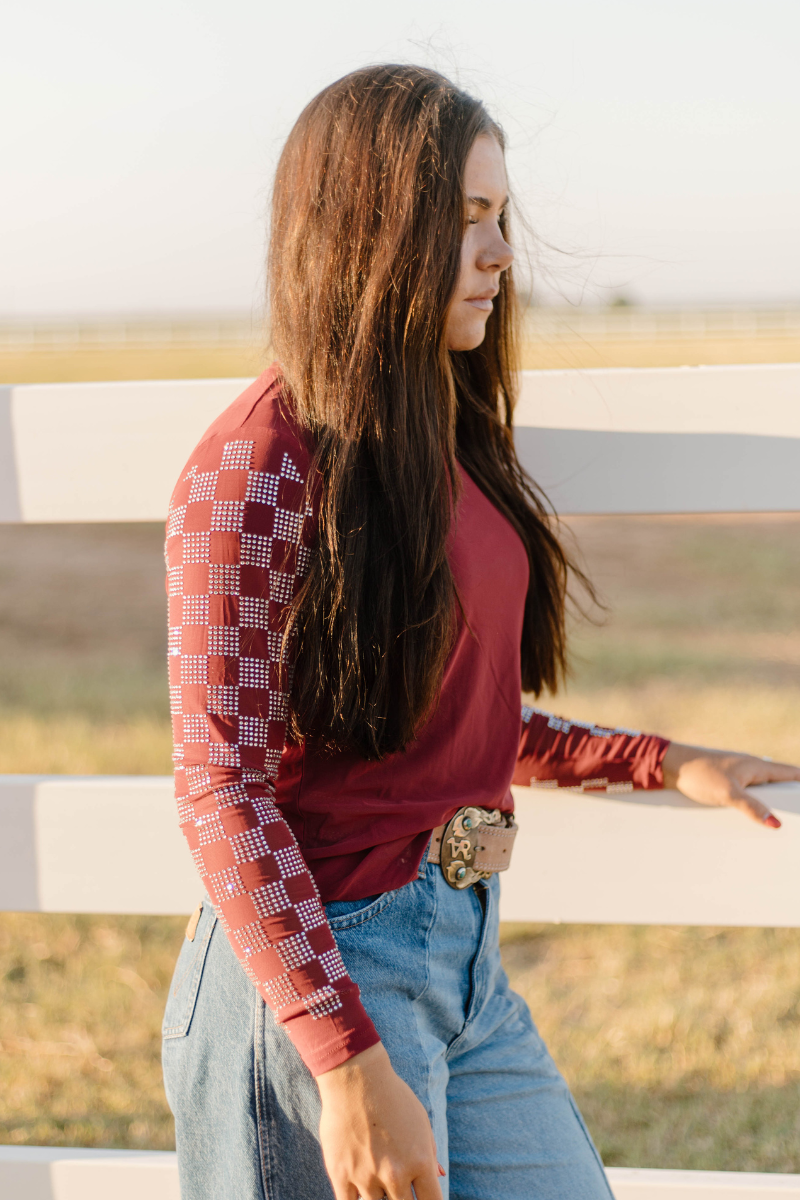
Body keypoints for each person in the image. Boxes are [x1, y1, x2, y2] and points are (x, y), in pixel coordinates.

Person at [161, 64, 799, 1200]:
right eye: (464, 220)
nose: (501, 251)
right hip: (325, 985)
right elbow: (220, 790)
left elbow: (446, 714)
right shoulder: (257, 467)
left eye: (499, 215)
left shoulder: (436, 442)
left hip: (459, 965)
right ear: (366, 229)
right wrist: (343, 1059)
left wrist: (659, 761)